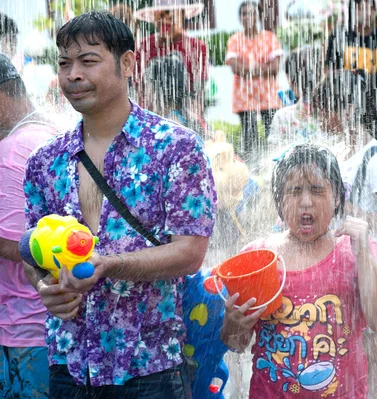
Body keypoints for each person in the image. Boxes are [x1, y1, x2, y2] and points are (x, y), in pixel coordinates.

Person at [21, 11, 216, 397]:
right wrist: (46, 287)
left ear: (127, 63)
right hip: (69, 366)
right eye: (64, 63)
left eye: (88, 61)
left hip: (149, 368)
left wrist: (110, 265)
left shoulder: (174, 148)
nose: (73, 74)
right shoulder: (45, 161)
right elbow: (34, 251)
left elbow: (191, 252)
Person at [220, 144, 377, 398]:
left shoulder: (354, 251)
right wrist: (232, 325)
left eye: (317, 190)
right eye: (294, 191)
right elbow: (235, 344)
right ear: (279, 199)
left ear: (337, 197)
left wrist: (364, 257)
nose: (306, 202)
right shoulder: (258, 258)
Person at [312, 70, 377, 399]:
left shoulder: (376, 159)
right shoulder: (336, 155)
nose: (321, 117)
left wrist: (352, 215)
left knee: (372, 344)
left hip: (370, 260)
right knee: (344, 340)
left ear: (348, 109)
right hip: (340, 262)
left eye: (326, 109)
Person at [0, 54, 57, 399]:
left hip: (21, 331)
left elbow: (15, 243)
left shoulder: (10, 151)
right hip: (55, 326)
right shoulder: (53, 131)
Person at [325, 0, 377, 140]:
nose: (367, 13)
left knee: (374, 142)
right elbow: (330, 71)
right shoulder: (339, 36)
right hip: (346, 102)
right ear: (353, 11)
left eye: (370, 8)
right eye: (361, 8)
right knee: (346, 141)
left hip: (375, 102)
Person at [225, 0, 283, 161]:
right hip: (244, 96)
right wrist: (262, 68)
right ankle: (253, 170)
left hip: (269, 95)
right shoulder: (235, 40)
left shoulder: (270, 38)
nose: (248, 17)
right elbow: (236, 69)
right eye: (244, 14)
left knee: (273, 133)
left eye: (251, 13)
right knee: (249, 136)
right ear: (239, 18)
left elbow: (275, 69)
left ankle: (276, 165)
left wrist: (249, 68)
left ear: (258, 16)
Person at [135, 0, 208, 115]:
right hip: (148, 112)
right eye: (161, 15)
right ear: (154, 18)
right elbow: (136, 85)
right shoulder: (142, 47)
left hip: (185, 111)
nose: (165, 20)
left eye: (171, 15)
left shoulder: (197, 47)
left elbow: (199, 86)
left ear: (182, 16)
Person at [268, 46, 327, 154]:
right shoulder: (333, 114)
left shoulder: (283, 117)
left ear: (290, 80)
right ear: (322, 74)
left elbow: (274, 157)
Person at [143, 53, 208, 137]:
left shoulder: (170, 124)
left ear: (159, 87)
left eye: (147, 83)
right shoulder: (189, 117)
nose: (144, 89)